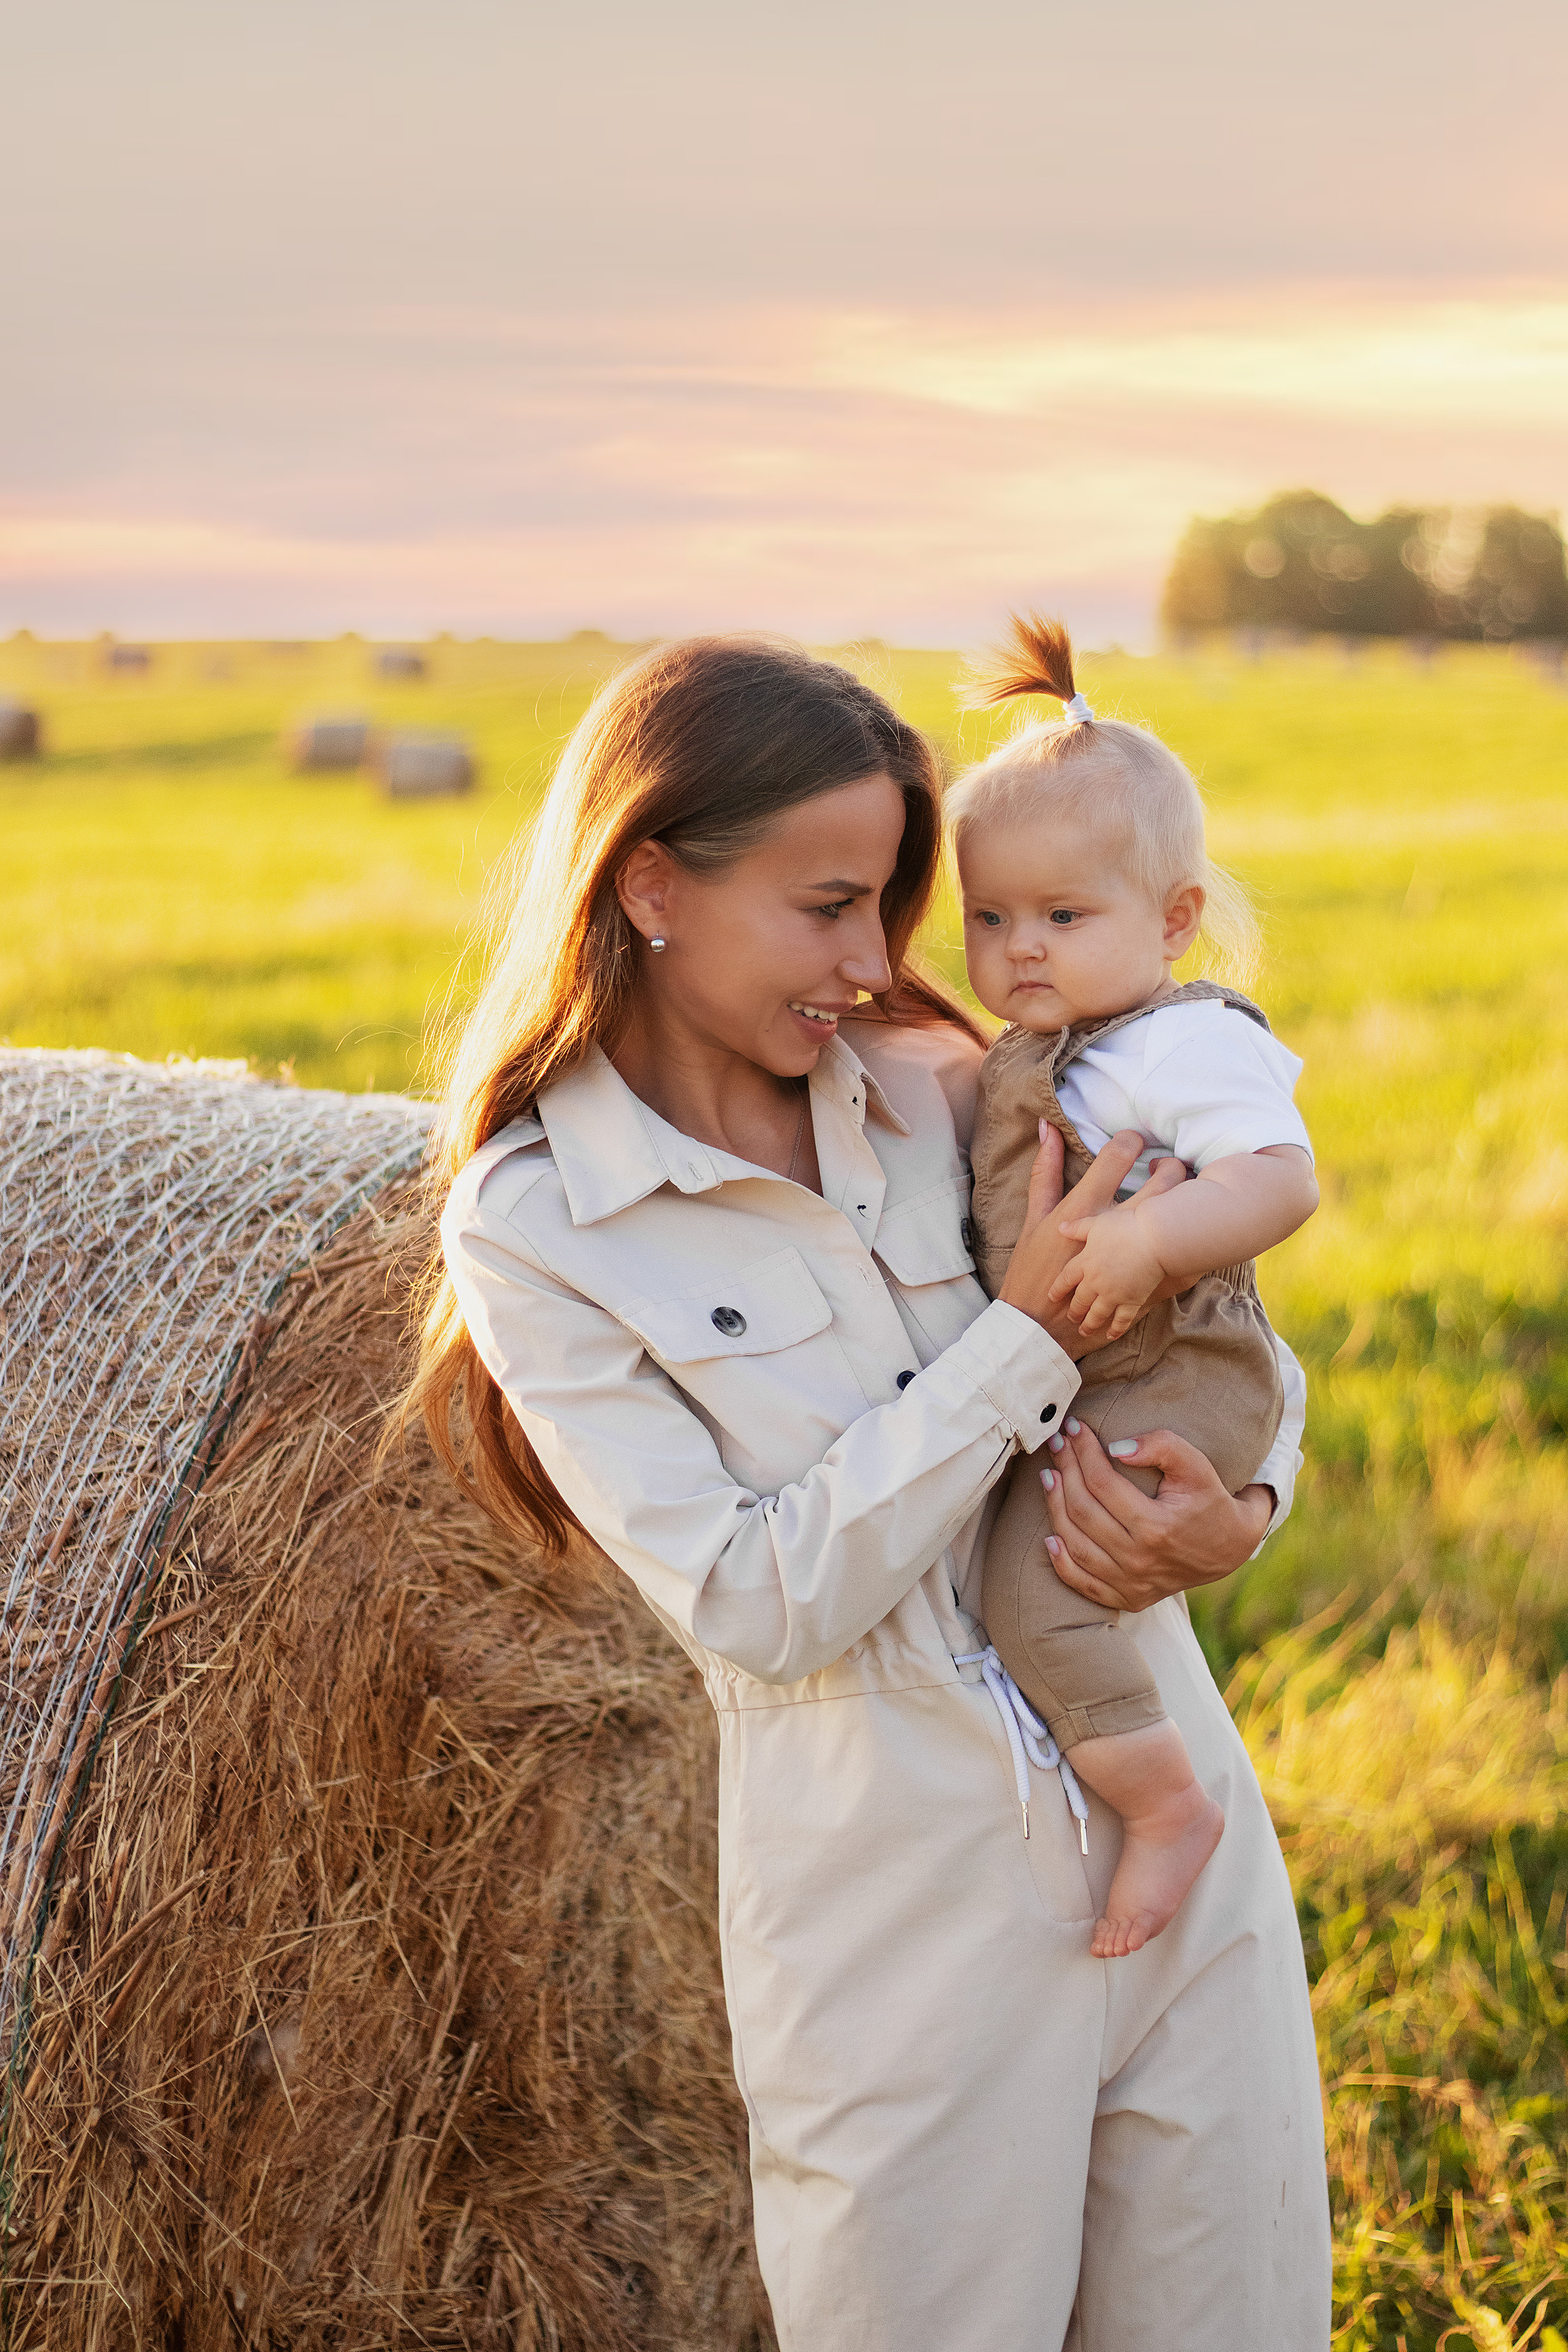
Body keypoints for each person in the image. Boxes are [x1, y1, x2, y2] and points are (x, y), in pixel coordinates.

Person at [412, 635, 1332, 2351]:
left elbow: (1209, 1311)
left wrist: (1243, 1509)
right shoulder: (541, 1220)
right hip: (902, 1934)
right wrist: (1025, 1340)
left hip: (1173, 1833)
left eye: (894, 902)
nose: (877, 959)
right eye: (830, 904)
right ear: (653, 883)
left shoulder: (939, 1077)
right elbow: (761, 1606)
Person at [951, 614, 1319, 1961]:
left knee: (1028, 1586)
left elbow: (1281, 1183)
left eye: (1060, 916)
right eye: (986, 918)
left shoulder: (1181, 1044)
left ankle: (1164, 1807)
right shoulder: (1033, 1047)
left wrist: (1150, 1245)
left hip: (1171, 1376)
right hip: (1092, 1370)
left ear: (1171, 921)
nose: (1018, 950)